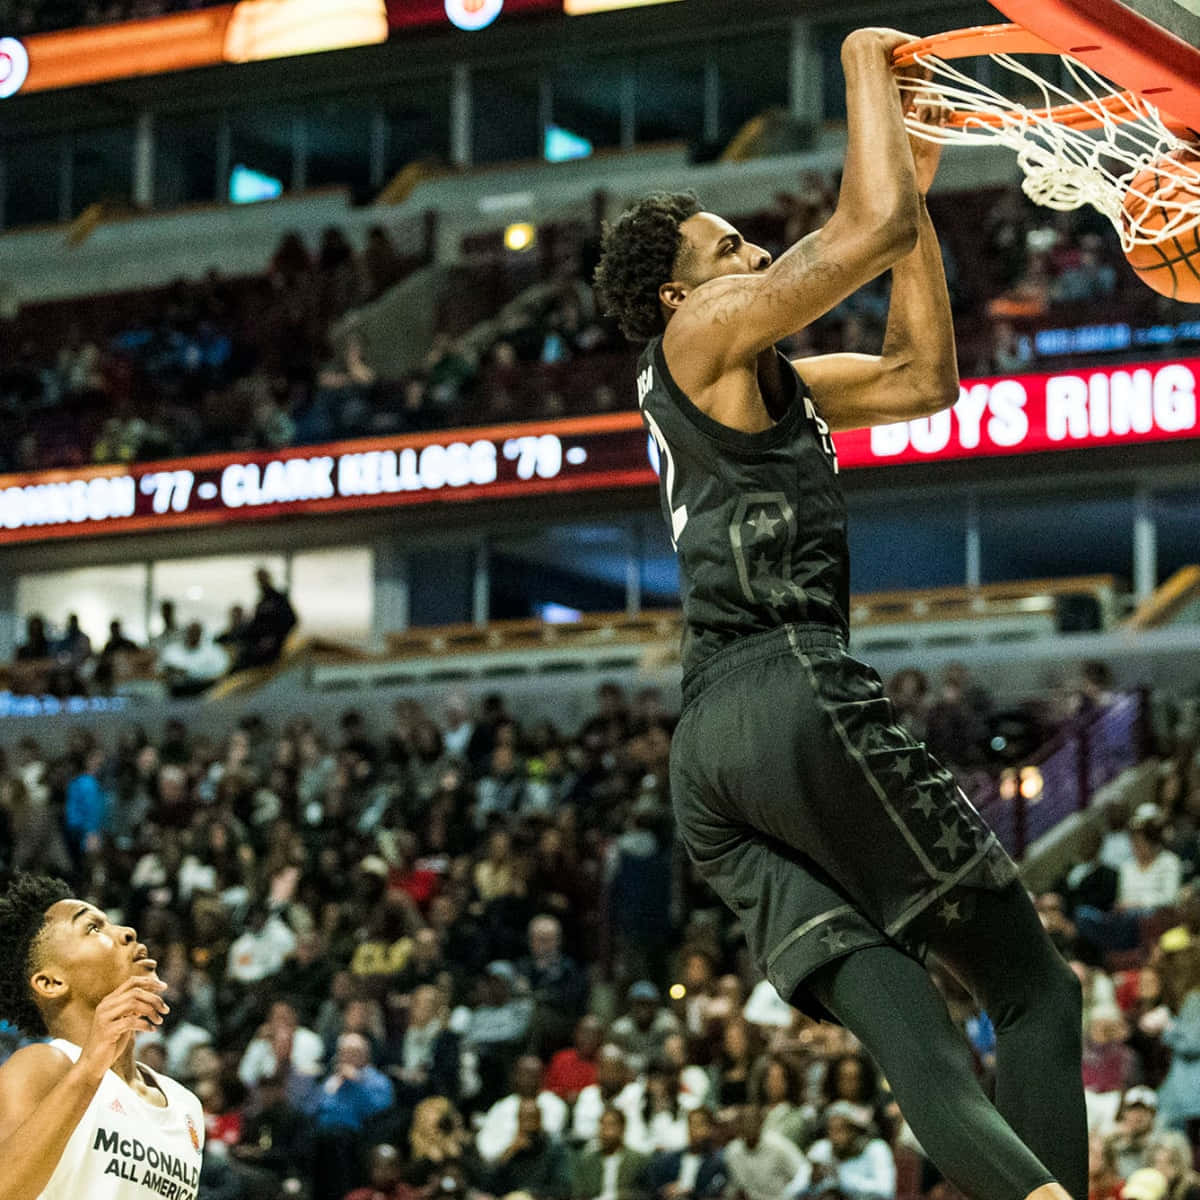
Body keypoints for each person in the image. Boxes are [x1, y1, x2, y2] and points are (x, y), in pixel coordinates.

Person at [593, 25, 1085, 1200]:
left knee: (916, 1032)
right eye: (730, 245)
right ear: (677, 288)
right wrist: (871, 63)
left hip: (714, 758)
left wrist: (911, 193)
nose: (754, 251)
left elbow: (925, 379)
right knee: (1031, 991)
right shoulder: (695, 333)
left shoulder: (774, 382)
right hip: (787, 687)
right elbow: (853, 234)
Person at [0, 873, 199, 1200]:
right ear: (51, 982)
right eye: (93, 928)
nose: (127, 932)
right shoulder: (44, 1066)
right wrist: (90, 1068)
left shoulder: (184, 1105)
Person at [805, 1101, 896, 1200]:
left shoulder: (876, 1149)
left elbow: (885, 1191)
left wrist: (842, 1179)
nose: (834, 1137)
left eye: (840, 1130)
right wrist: (811, 1181)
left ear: (854, 1130)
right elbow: (792, 1192)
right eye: (831, 1130)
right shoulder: (822, 1148)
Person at [572, 1107, 651, 1200]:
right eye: (602, 1125)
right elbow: (578, 1193)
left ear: (622, 1128)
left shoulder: (638, 1161)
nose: (605, 1131)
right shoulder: (587, 1162)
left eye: (611, 1125)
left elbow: (647, 1193)